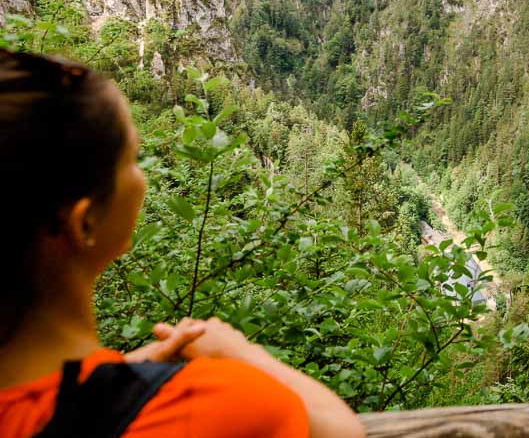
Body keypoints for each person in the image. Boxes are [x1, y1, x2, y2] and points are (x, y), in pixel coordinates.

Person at [0, 50, 365, 437]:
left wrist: (118, 373)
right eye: (132, 159)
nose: (143, 177)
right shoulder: (208, 406)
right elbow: (341, 431)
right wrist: (237, 351)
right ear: (85, 221)